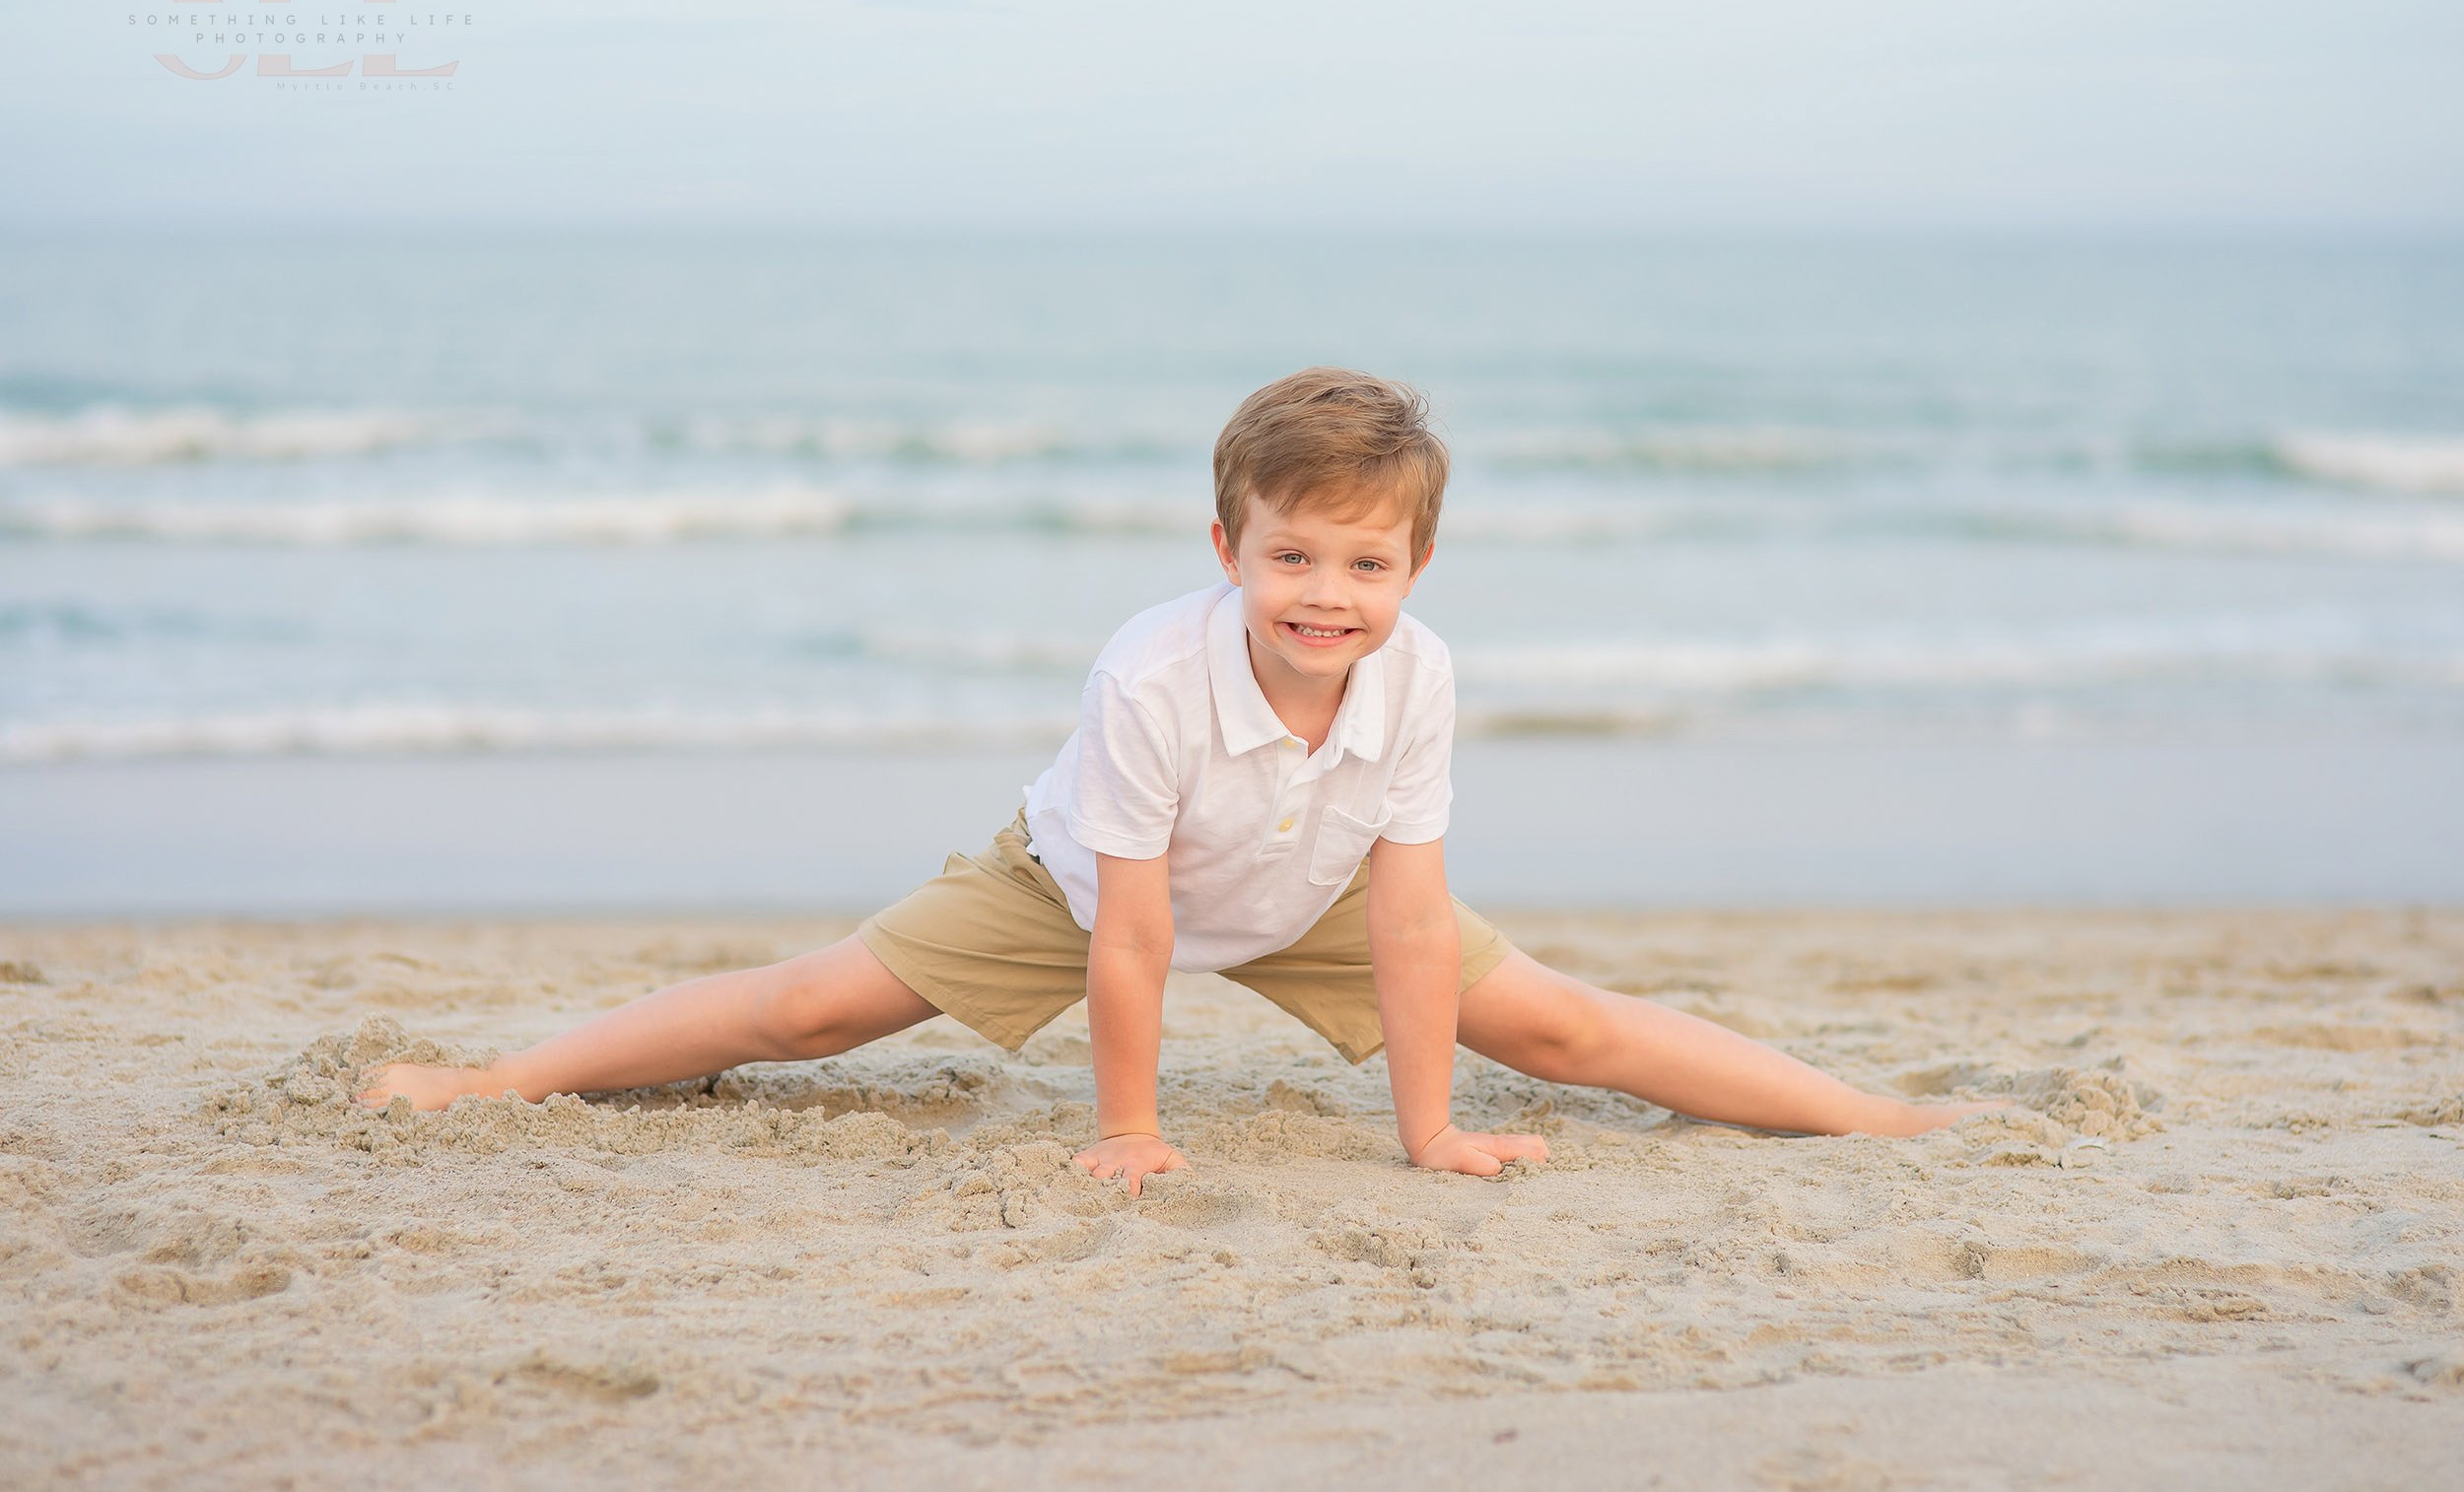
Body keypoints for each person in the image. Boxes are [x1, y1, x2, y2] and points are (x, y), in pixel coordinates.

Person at [357, 367, 2012, 1191]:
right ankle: (486, 1087)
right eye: (1291, 553)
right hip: (1081, 883)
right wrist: (1129, 1129)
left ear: (1417, 568)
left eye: (1366, 563)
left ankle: (1875, 1116)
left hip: (1311, 889)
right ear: (1228, 547)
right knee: (809, 1012)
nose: (1325, 594)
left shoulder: (1418, 676)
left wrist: (1431, 1128)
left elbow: (1415, 917)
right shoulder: (1152, 676)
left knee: (1571, 1030)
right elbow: (1134, 939)